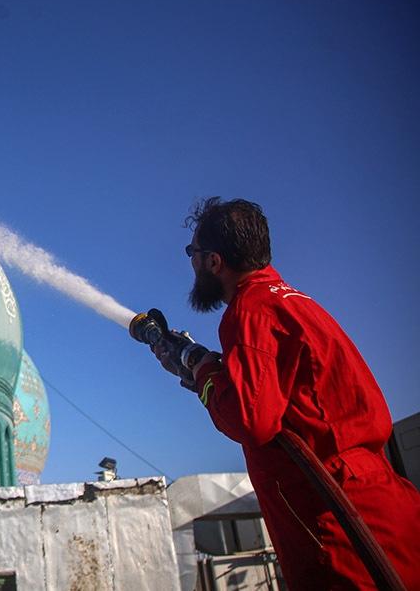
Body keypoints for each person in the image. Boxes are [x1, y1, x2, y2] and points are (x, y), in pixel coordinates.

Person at [154, 197, 420, 590]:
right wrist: (205, 371)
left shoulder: (250, 310)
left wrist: (202, 368)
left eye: (193, 252)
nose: (190, 262)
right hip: (382, 511)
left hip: (338, 526)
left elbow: (251, 418)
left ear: (214, 261)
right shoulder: (293, 303)